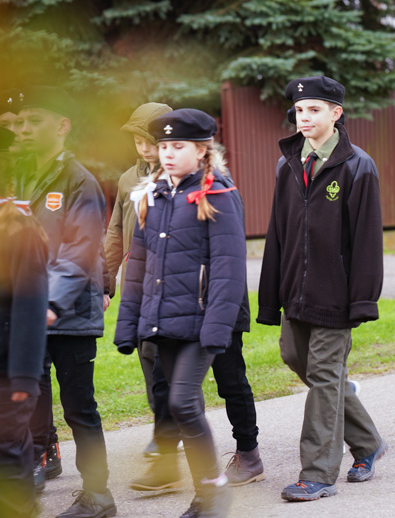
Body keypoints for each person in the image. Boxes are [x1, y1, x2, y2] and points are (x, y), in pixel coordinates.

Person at [257, 76, 387, 502]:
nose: (305, 118)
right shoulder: (287, 163)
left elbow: (367, 239)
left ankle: (317, 473)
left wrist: (363, 298)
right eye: (299, 111)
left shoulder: (356, 165)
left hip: (337, 294)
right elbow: (277, 233)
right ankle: (367, 441)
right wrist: (271, 295)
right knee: (298, 359)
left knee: (326, 376)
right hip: (296, 289)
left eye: (314, 110)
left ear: (336, 113)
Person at [116, 108, 245, 518]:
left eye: (178, 146)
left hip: (202, 323)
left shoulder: (217, 195)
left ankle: (214, 492)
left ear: (202, 149)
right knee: (177, 405)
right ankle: (207, 493)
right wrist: (128, 324)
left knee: (184, 402)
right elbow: (138, 265)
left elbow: (229, 269)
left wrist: (217, 329)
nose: (168, 153)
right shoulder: (151, 195)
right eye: (164, 146)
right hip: (163, 320)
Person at [14, 86, 116, 517]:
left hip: (68, 316)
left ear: (61, 126)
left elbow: (79, 253)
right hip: (24, 314)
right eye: (18, 122)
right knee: (29, 402)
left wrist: (47, 304)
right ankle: (32, 472)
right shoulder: (16, 175)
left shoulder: (80, 182)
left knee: (80, 408)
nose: (23, 129)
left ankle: (98, 495)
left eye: (34, 120)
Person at [104, 102, 171, 457]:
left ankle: (170, 432)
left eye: (151, 141)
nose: (144, 149)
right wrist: (105, 282)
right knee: (147, 355)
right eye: (138, 142)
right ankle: (165, 428)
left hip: (171, 285)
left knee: (167, 358)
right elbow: (115, 231)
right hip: (137, 285)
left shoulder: (180, 175)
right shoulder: (128, 179)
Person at [0, 126, 49, 518]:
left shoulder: (17, 227)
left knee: (7, 451)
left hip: (7, 372)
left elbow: (30, 306)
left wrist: (23, 378)